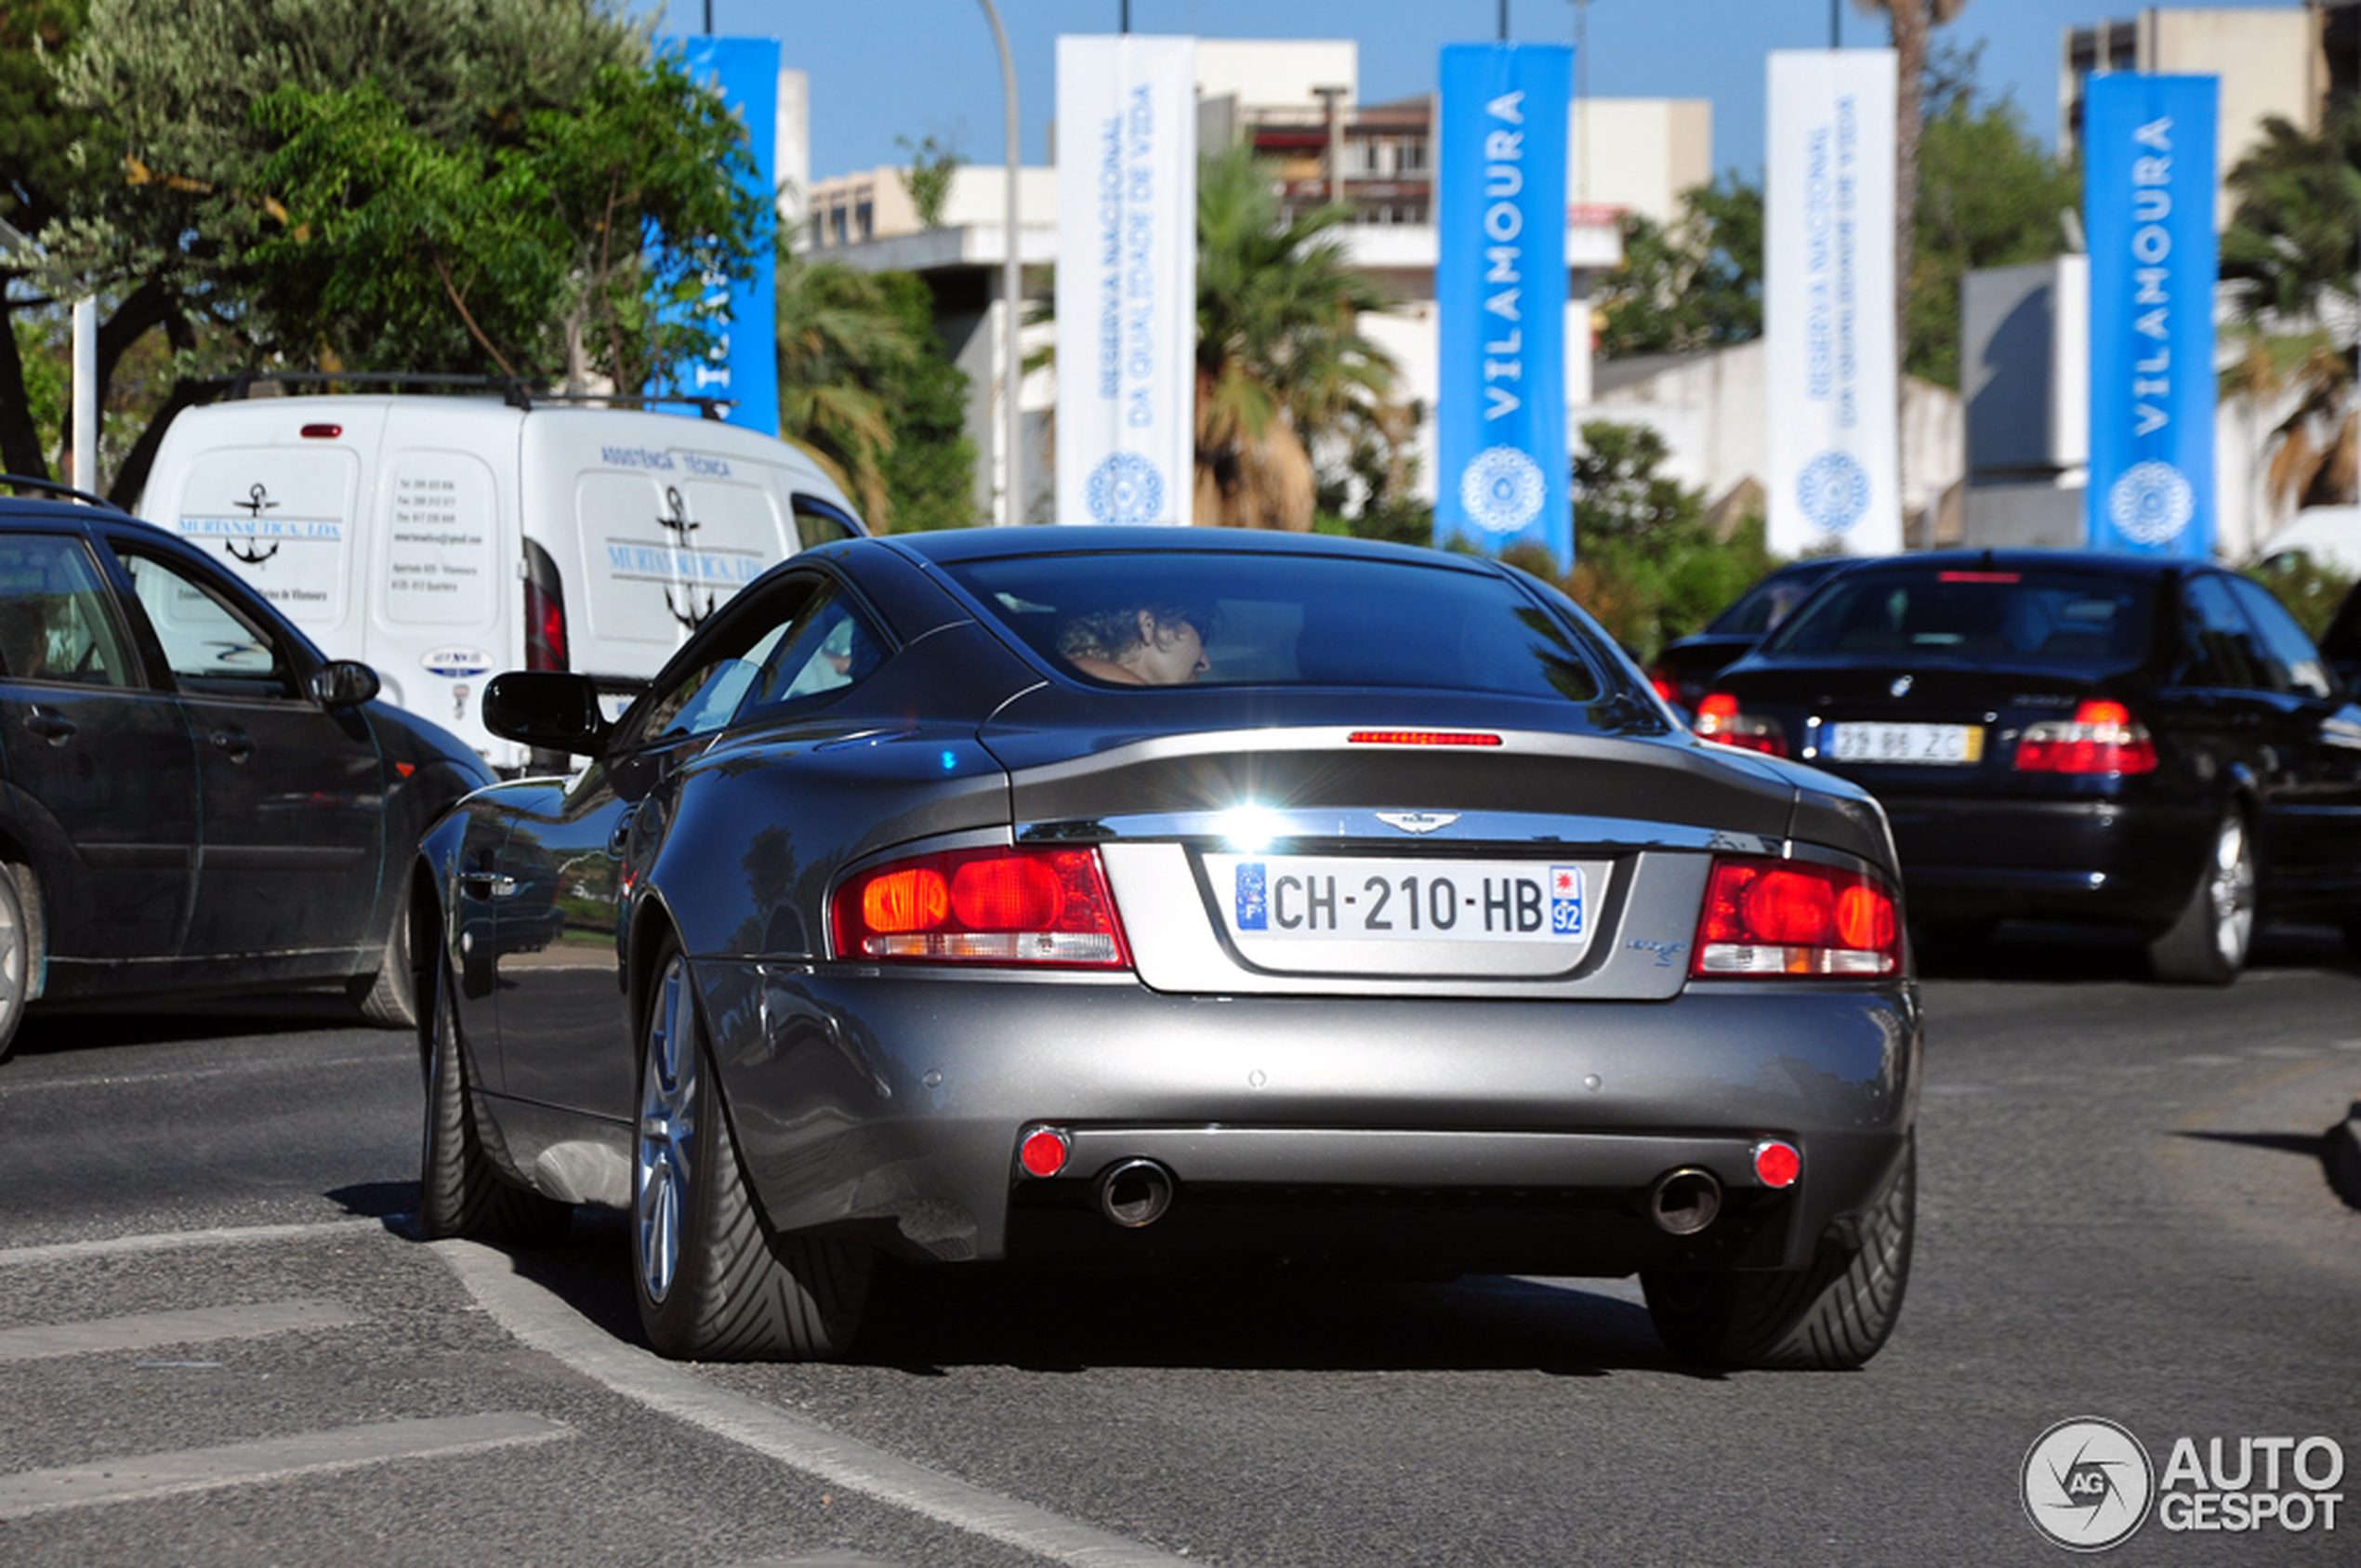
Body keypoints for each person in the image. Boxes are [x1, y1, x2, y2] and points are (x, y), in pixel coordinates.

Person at [1058, 601, 1211, 685]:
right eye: (1201, 630)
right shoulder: (1142, 711)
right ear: (1148, 625)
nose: (1205, 664)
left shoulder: (1069, 682)